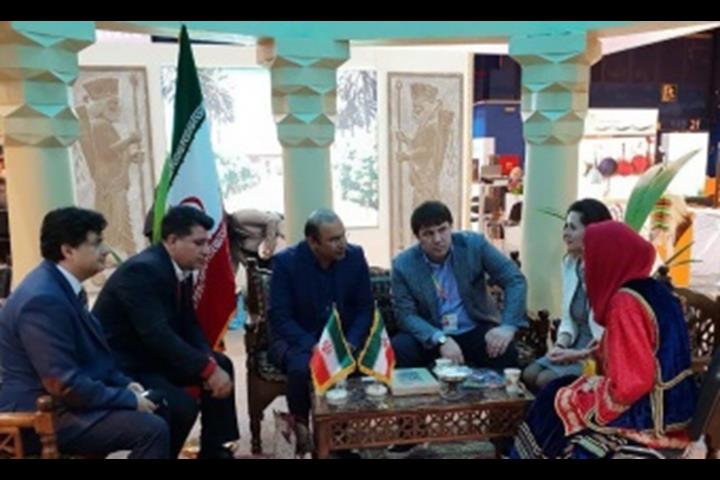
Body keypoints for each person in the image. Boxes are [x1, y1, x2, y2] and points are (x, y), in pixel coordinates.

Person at [511, 221, 697, 459]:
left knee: (556, 399)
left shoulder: (625, 302)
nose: (586, 265)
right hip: (677, 401)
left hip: (651, 411)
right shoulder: (652, 289)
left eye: (589, 257)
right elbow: (646, 348)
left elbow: (632, 384)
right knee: (559, 389)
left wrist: (589, 395)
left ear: (607, 259)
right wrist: (584, 355)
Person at [0, 207, 169, 458]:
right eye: (97, 243)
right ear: (68, 251)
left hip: (63, 405)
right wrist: (128, 399)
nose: (106, 250)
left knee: (162, 404)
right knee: (151, 430)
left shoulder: (61, 287)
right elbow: (64, 383)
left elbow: (94, 360)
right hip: (40, 416)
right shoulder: (43, 299)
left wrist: (126, 385)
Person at [92, 205, 239, 459]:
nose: (206, 251)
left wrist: (210, 362)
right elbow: (157, 335)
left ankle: (215, 451)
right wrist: (207, 370)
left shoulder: (182, 267)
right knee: (180, 406)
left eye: (207, 243)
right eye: (199, 243)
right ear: (172, 240)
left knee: (223, 363)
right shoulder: (142, 271)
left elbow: (190, 325)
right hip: (125, 365)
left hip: (151, 356)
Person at [268, 209, 373, 442]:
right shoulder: (287, 263)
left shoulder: (354, 256)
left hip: (342, 338)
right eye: (333, 239)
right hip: (297, 338)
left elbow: (365, 308)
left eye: (343, 236)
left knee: (354, 364)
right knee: (302, 368)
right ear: (313, 242)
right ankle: (302, 432)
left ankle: (341, 438)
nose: (342, 244)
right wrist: (313, 345)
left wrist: (351, 341)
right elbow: (280, 317)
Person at [390, 200, 527, 370]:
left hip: (474, 327)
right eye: (428, 234)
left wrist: (507, 326)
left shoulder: (474, 245)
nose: (437, 239)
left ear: (451, 227)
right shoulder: (403, 265)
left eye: (442, 230)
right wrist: (440, 339)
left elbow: (514, 279)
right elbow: (405, 315)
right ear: (418, 238)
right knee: (400, 348)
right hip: (432, 332)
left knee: (505, 351)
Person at [522, 198, 612, 392]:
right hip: (573, 345)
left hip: (598, 353)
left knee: (545, 380)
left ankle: (559, 412)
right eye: (565, 227)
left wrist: (578, 354)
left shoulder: (610, 273)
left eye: (572, 228)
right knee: (529, 374)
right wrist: (561, 346)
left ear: (593, 232)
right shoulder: (571, 264)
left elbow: (610, 336)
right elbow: (568, 318)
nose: (565, 234)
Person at [395, 82, 454, 209]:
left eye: (418, 109)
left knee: (424, 205)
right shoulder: (425, 125)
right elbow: (418, 144)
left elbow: (427, 150)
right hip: (422, 177)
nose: (415, 113)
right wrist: (405, 140)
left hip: (427, 176)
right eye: (415, 109)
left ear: (429, 105)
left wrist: (407, 155)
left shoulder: (432, 126)